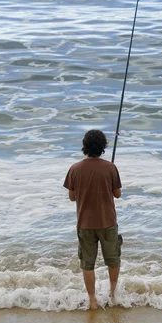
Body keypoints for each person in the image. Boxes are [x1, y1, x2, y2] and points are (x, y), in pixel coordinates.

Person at [64, 129, 122, 310]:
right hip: (107, 222)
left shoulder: (74, 169)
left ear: (85, 146)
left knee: (87, 263)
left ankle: (92, 300)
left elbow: (72, 197)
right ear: (103, 147)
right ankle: (112, 294)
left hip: (85, 223)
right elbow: (117, 194)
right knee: (113, 260)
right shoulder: (110, 168)